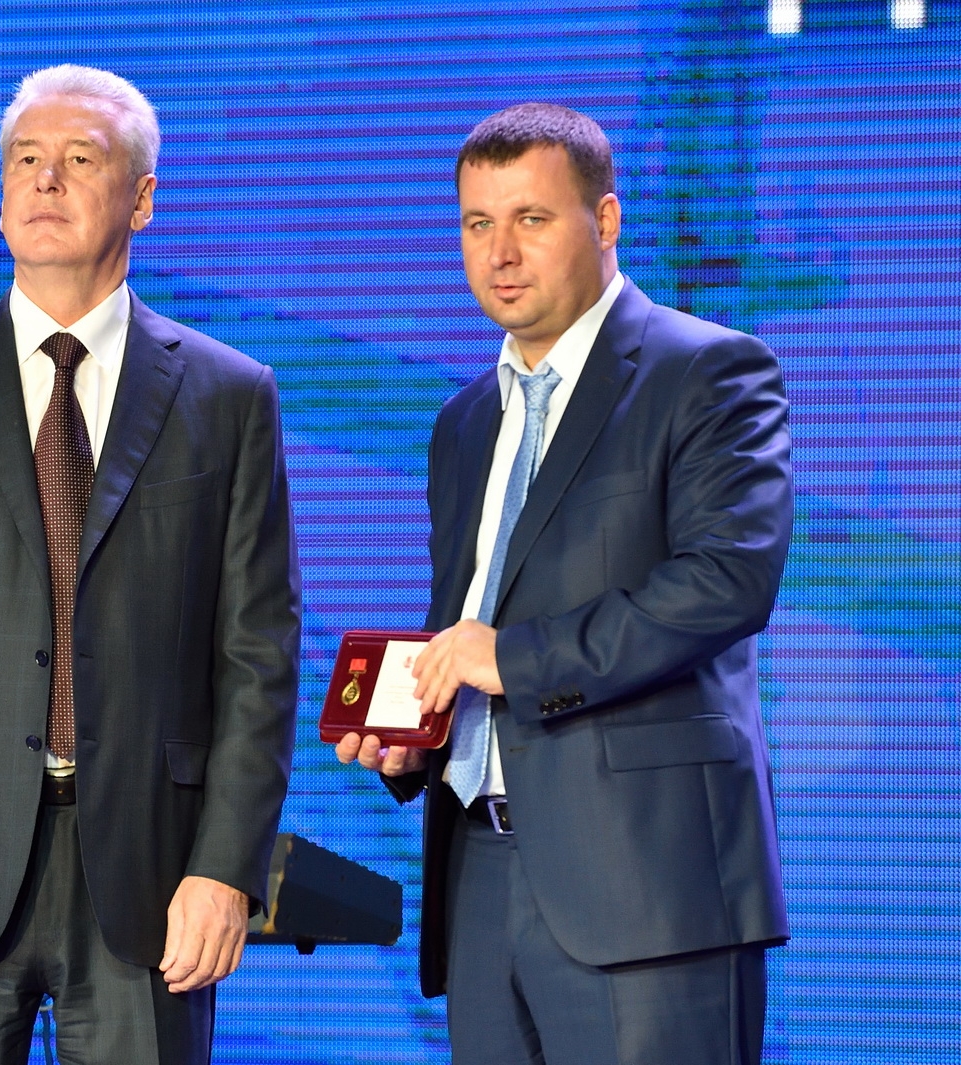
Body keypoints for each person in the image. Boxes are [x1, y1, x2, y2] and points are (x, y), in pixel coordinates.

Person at [0, 63, 300, 1065]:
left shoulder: (228, 395)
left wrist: (226, 868)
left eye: (80, 159)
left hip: (152, 876)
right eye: (25, 160)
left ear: (143, 198)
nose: (45, 179)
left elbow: (259, 657)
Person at [337, 103, 792, 1064]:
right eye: (477, 223)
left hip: (648, 887)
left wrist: (513, 659)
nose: (500, 252)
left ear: (607, 219)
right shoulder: (465, 421)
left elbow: (725, 581)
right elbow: (469, 618)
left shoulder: (707, 371)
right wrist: (418, 737)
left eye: (531, 219)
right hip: (480, 880)